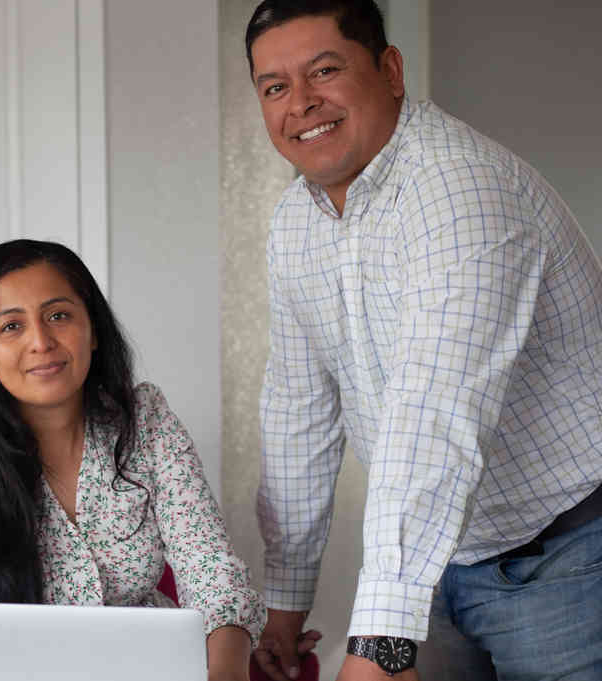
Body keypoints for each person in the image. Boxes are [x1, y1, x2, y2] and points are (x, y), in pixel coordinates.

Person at [244, 1, 602, 680]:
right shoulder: (296, 222)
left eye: (325, 70)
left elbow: (432, 415)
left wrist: (380, 643)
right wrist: (285, 602)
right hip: (439, 562)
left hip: (570, 558)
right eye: (275, 87)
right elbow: (299, 410)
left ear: (390, 70)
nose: (301, 103)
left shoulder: (460, 189)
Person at [0, 239, 268, 681]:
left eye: (58, 316)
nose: (41, 342)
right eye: (11, 326)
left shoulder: (146, 423)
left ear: (93, 330)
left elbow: (212, 572)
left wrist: (226, 672)